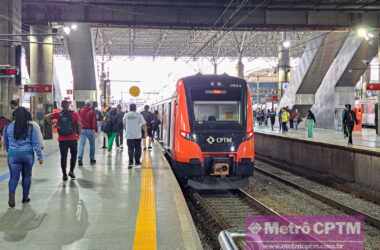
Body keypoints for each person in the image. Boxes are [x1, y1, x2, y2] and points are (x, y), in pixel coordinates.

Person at [3, 107, 43, 207]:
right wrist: (40, 157)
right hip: (27, 155)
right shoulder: (30, 127)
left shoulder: (8, 127)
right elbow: (35, 144)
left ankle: (11, 197)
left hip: (13, 156)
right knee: (27, 176)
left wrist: (10, 152)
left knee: (13, 178)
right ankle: (25, 197)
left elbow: (6, 143)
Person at [47, 100, 81, 181]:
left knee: (63, 157)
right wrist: (78, 134)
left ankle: (64, 174)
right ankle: (71, 171)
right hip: (73, 138)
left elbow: (47, 117)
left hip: (62, 139)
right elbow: (79, 125)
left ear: (61, 106)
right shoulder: (74, 114)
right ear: (68, 105)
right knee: (73, 155)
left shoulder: (58, 114)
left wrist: (53, 125)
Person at [123, 103, 147, 168]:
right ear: (135, 108)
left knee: (130, 149)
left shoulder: (126, 115)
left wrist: (127, 130)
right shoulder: (139, 115)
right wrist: (145, 133)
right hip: (137, 135)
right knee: (138, 149)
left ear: (129, 108)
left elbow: (124, 124)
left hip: (129, 135)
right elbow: (144, 124)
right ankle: (137, 163)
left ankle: (130, 163)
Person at [77, 101, 97, 166]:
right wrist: (94, 129)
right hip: (90, 130)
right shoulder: (92, 112)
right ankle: (92, 159)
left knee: (81, 145)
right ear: (90, 105)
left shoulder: (80, 111)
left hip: (82, 129)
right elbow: (94, 121)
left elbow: (78, 120)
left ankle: (80, 159)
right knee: (92, 145)